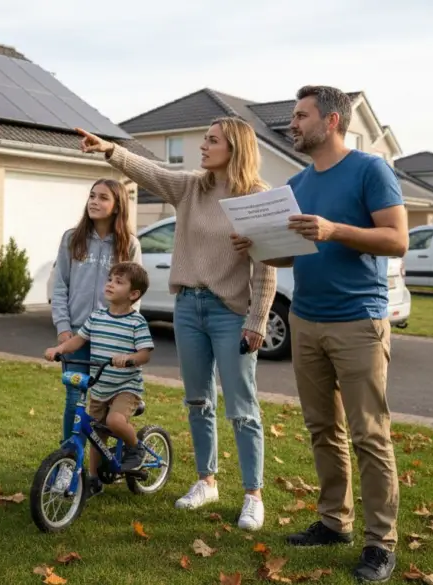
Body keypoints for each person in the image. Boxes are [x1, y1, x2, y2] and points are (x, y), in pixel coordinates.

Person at [233, 85, 407, 582]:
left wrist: (334, 230)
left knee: (369, 435)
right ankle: (335, 522)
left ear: (331, 121)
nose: (294, 123)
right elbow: (295, 250)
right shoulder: (300, 182)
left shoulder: (371, 170)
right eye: (294, 114)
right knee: (322, 430)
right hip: (307, 320)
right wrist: (258, 244)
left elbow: (396, 240)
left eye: (301, 115)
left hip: (358, 321)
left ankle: (380, 543)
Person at [76, 118, 277, 532]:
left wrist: (257, 319)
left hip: (229, 312)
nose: (203, 146)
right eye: (204, 138)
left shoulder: (257, 197)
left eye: (211, 140)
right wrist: (110, 150)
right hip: (188, 306)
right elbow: (149, 172)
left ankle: (253, 495)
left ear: (235, 148)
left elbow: (267, 264)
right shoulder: (192, 188)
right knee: (198, 401)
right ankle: (207, 481)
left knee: (242, 407)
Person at [44, 261, 154, 498]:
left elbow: (145, 353)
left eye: (119, 282)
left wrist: (128, 358)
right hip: (100, 385)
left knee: (114, 421)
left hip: (126, 386)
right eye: (110, 279)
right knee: (94, 433)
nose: (110, 284)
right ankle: (93, 479)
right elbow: (79, 340)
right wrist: (60, 349)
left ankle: (136, 448)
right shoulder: (96, 317)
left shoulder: (137, 322)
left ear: (133, 294)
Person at [51, 178, 142, 444]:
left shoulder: (129, 245)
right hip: (76, 335)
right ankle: (69, 461)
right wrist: (63, 328)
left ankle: (99, 463)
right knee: (74, 400)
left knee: (103, 404)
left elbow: (134, 297)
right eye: (92, 196)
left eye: (103, 197)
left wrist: (123, 335)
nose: (94, 201)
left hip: (110, 338)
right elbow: (60, 287)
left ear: (116, 206)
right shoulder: (72, 238)